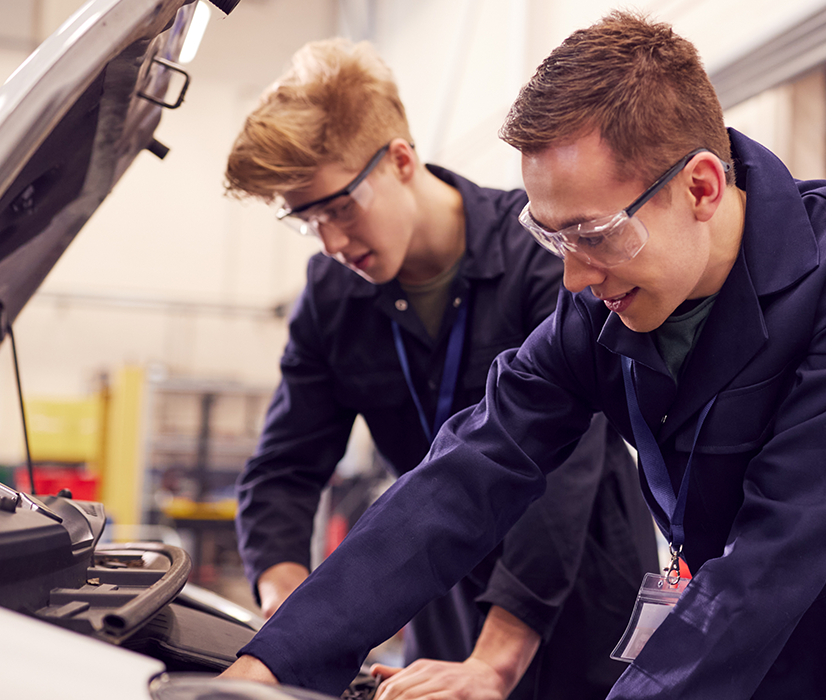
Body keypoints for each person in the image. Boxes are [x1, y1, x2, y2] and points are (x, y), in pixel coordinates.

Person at [224, 14, 826, 699]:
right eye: (552, 234)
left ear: (701, 188)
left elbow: (786, 538)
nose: (572, 274)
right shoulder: (599, 307)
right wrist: (276, 660)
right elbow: (465, 475)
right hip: (734, 658)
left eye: (595, 233)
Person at [222, 39, 656, 700]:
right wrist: (285, 600)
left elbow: (563, 470)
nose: (334, 243)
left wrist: (496, 661)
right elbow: (287, 464)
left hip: (580, 584)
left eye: (340, 207)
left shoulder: (540, 255)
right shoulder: (332, 296)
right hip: (439, 579)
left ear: (399, 160)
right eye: (308, 221)